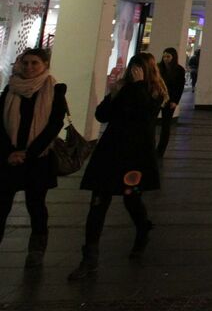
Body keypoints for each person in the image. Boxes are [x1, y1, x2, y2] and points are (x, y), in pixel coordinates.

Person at [69, 52, 166, 279]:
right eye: (133, 68)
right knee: (98, 203)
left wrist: (139, 86)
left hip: (134, 158)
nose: (134, 72)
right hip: (110, 154)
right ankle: (89, 257)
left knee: (132, 199)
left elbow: (146, 116)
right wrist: (112, 95)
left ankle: (142, 228)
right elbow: (102, 115)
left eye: (139, 68)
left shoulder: (154, 92)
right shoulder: (122, 89)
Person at [0, 49, 67, 269]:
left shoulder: (54, 89)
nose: (29, 67)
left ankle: (37, 248)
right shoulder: (11, 88)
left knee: (36, 204)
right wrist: (10, 152)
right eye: (25, 62)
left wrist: (28, 153)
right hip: (9, 158)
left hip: (38, 159)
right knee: (1, 204)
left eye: (35, 63)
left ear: (45, 64)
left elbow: (55, 124)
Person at [156, 47, 186, 157]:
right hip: (158, 98)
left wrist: (175, 101)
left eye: (168, 56)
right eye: (164, 56)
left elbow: (179, 87)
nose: (165, 59)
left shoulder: (179, 70)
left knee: (166, 125)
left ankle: (160, 150)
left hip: (170, 100)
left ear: (173, 57)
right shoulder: (159, 68)